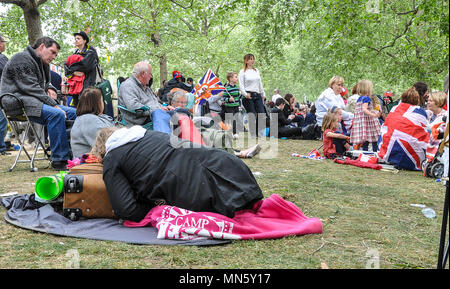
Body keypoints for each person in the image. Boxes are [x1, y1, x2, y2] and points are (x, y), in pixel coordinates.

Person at [90, 126, 264, 221]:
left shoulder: (112, 158)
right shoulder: (148, 134)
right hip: (234, 169)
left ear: (101, 149)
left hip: (200, 192)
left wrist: (155, 208)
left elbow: (126, 209)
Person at [0, 37, 77, 169]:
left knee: (76, 113)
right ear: (41, 47)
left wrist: (51, 88)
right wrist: (53, 104)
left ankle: (74, 154)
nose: (54, 57)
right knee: (56, 114)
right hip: (17, 103)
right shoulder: (21, 58)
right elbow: (30, 87)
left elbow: (45, 84)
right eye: (52, 52)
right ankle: (59, 160)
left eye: (56, 54)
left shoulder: (43, 63)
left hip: (33, 101)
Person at [169, 90, 261, 158]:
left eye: (184, 102)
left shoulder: (182, 111)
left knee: (218, 133)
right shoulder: (169, 110)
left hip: (192, 131)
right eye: (180, 102)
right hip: (187, 135)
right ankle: (240, 153)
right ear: (172, 102)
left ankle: (239, 152)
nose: (183, 104)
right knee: (213, 135)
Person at [378, 87, 430, 170]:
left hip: (389, 152)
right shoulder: (419, 110)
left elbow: (386, 126)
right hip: (409, 154)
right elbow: (424, 131)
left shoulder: (394, 108)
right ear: (417, 99)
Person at [118, 61, 175, 133]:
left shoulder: (146, 87)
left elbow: (155, 103)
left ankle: (186, 141)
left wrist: (166, 107)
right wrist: (155, 110)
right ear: (142, 74)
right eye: (150, 74)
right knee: (159, 113)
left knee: (180, 112)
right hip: (140, 119)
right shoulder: (128, 86)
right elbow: (134, 106)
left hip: (155, 113)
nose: (151, 76)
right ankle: (166, 141)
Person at [70, 87, 114, 159]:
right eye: (102, 101)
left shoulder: (89, 118)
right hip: (89, 165)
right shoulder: (88, 120)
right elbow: (106, 144)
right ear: (97, 104)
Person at [63, 31, 99, 107]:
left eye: (78, 38)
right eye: (75, 39)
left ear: (85, 40)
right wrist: (74, 72)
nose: (76, 40)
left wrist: (71, 69)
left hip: (86, 85)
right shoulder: (74, 53)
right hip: (75, 86)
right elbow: (66, 66)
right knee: (76, 107)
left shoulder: (91, 53)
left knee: (86, 106)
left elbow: (85, 66)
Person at [238, 54, 266, 138]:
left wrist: (263, 93)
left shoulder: (256, 70)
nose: (253, 60)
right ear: (246, 61)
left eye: (253, 59)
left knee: (261, 113)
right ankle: (253, 133)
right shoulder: (242, 72)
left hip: (257, 94)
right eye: (250, 59)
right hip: (248, 95)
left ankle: (258, 132)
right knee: (252, 114)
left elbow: (259, 83)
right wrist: (245, 94)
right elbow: (241, 85)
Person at [350, 80, 381, 152]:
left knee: (366, 141)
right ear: (367, 88)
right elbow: (364, 109)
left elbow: (370, 107)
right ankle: (375, 152)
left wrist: (377, 109)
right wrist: (374, 114)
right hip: (369, 121)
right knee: (374, 138)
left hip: (364, 123)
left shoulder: (359, 98)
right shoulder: (366, 98)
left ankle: (365, 153)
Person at [222, 72, 244, 138]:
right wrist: (229, 99)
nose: (237, 78)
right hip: (229, 107)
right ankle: (230, 132)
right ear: (231, 79)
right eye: (236, 77)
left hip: (236, 106)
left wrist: (241, 95)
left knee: (235, 119)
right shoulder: (227, 88)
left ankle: (235, 133)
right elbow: (223, 98)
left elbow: (238, 98)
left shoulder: (236, 87)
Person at [0, 34, 10, 156]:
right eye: (4, 42)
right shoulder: (2, 59)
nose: (5, 44)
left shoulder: (3, 58)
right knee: (1, 121)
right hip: (1, 94)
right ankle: (1, 148)